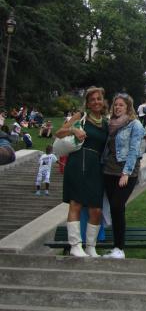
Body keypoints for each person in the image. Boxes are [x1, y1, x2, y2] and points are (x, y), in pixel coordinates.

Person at [56, 86, 108, 257]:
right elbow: (59, 132)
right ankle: (75, 245)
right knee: (76, 204)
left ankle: (91, 246)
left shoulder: (106, 122)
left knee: (96, 210)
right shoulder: (81, 117)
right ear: (87, 102)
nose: (96, 102)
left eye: (98, 98)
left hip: (96, 167)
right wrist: (73, 129)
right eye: (92, 99)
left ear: (103, 100)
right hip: (78, 162)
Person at [102, 93, 145, 259]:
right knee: (114, 209)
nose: (117, 107)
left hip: (127, 171)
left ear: (128, 107)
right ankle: (116, 247)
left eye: (121, 105)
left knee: (117, 206)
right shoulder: (110, 123)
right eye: (116, 105)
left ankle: (120, 248)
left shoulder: (135, 125)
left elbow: (134, 150)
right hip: (109, 169)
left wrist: (126, 173)